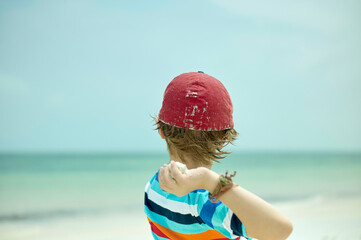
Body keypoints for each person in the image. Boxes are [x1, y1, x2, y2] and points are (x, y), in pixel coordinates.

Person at [144, 72, 293, 240]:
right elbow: (281, 230)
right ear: (224, 138)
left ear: (161, 129)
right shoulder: (205, 202)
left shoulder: (153, 187)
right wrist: (210, 181)